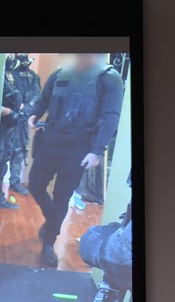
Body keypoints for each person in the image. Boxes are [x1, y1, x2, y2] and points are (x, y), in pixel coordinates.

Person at [26, 53, 124, 267]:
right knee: (35, 184)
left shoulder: (109, 78)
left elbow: (111, 115)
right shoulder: (60, 73)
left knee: (62, 196)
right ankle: (53, 219)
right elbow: (44, 100)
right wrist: (34, 114)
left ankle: (49, 243)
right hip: (51, 140)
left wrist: (97, 150)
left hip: (79, 147)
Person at [0, 55, 24, 210]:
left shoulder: (8, 73)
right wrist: (8, 112)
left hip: (8, 128)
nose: (10, 56)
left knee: (2, 162)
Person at [8, 53, 42, 195]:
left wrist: (27, 107)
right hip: (9, 118)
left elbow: (37, 95)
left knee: (20, 150)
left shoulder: (33, 76)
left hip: (24, 118)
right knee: (3, 152)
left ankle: (14, 181)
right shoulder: (7, 74)